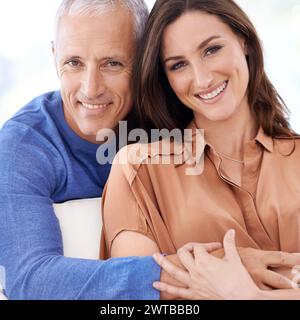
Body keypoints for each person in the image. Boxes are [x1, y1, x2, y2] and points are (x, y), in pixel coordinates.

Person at [101, 0, 300, 299]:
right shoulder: (139, 170)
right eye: (178, 65)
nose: (203, 78)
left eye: (211, 50)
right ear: (165, 78)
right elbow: (138, 296)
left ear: (243, 40)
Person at [0, 0, 183, 300]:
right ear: (54, 56)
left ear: (144, 61)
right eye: (74, 62)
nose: (90, 88)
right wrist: (183, 276)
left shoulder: (170, 121)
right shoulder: (24, 145)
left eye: (112, 63)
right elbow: (30, 278)